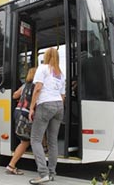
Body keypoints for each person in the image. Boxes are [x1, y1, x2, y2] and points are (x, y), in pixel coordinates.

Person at [28, 47, 65, 184]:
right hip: (59, 106)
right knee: (52, 141)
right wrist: (58, 107)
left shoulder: (43, 68)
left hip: (45, 104)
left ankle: (43, 173)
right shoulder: (60, 74)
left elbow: (37, 88)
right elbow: (63, 95)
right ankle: (51, 172)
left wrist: (32, 108)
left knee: (35, 140)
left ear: (46, 56)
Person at [5, 67, 36, 175]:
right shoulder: (37, 86)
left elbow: (14, 95)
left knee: (28, 140)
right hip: (26, 114)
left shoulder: (24, 86)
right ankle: (11, 165)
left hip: (17, 111)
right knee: (25, 142)